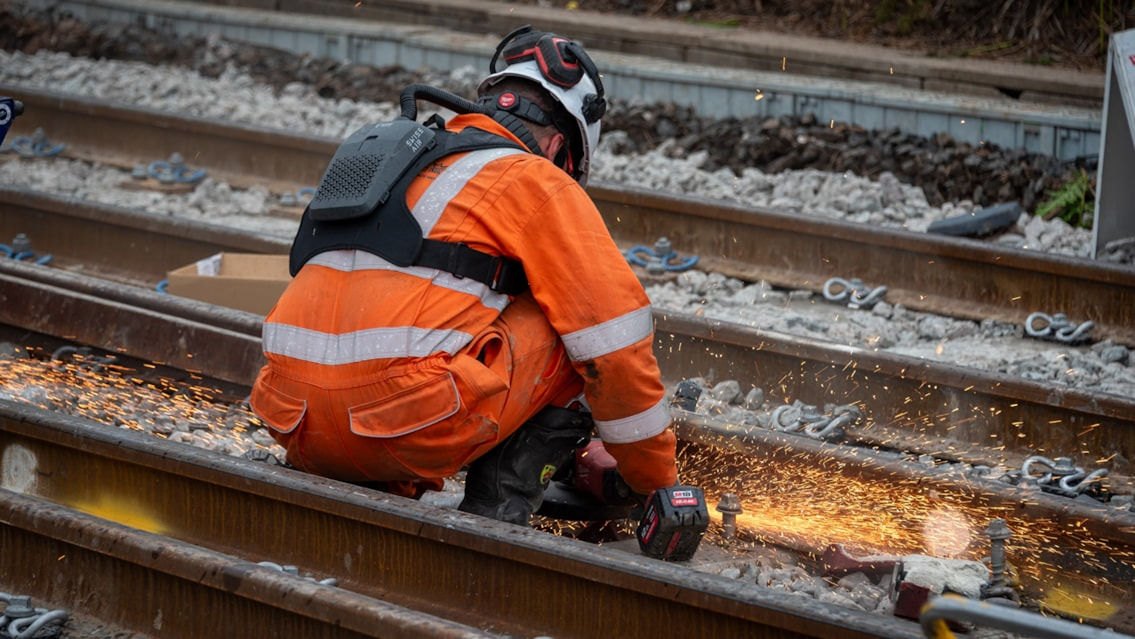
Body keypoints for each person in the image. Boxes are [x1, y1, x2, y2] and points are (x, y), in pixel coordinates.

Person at [250, 25, 678, 526]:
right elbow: (615, 347)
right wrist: (655, 483)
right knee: (578, 320)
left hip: (292, 419)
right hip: (403, 428)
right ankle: (495, 509)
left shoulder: (387, 157)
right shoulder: (535, 178)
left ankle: (383, 472)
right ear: (561, 146)